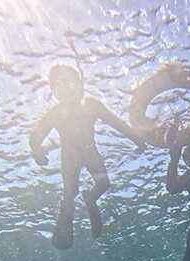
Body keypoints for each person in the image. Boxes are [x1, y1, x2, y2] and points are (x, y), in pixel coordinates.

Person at [29, 64, 144, 249]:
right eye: (59, 84)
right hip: (70, 157)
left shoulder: (91, 106)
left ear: (79, 84)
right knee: (70, 193)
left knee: (104, 184)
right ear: (54, 92)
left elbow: (117, 124)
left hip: (90, 153)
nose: (65, 88)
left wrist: (137, 139)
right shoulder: (56, 113)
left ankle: (90, 198)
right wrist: (37, 152)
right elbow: (35, 136)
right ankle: (67, 222)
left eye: (69, 82)